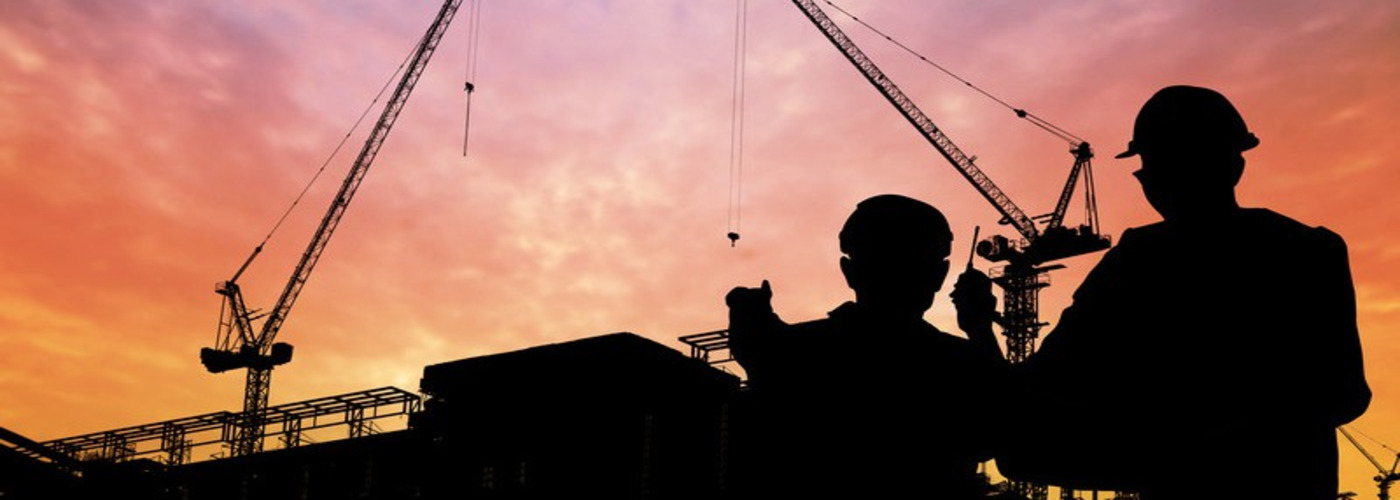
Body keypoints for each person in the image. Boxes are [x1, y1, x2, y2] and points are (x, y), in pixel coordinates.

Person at [953, 85, 1371, 498]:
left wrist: (980, 330)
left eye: (1153, 167)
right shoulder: (1308, 250)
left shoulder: (1137, 262)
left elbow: (1032, 394)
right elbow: (1344, 394)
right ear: (1236, 163)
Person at [726, 194, 1002, 499]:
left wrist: (753, 326)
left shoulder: (797, 350)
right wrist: (980, 330)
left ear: (849, 270)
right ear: (940, 275)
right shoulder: (959, 363)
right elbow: (995, 435)